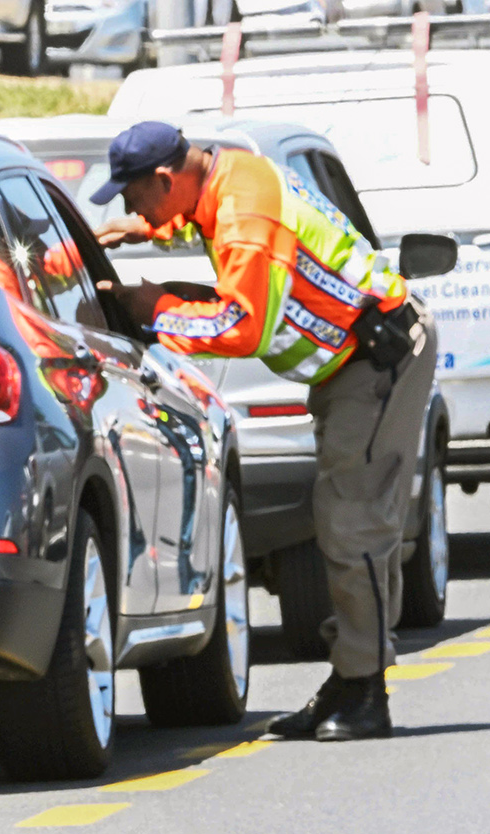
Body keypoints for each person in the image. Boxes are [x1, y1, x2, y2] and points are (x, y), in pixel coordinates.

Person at [94, 122, 437, 742]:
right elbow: (197, 213)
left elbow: (243, 326)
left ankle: (365, 690)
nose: (127, 207)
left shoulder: (246, 210)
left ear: (166, 177)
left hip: (379, 358)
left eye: (133, 196)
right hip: (351, 363)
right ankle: (353, 675)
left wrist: (158, 311)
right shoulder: (227, 174)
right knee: (350, 519)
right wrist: (146, 228)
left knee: (353, 522)